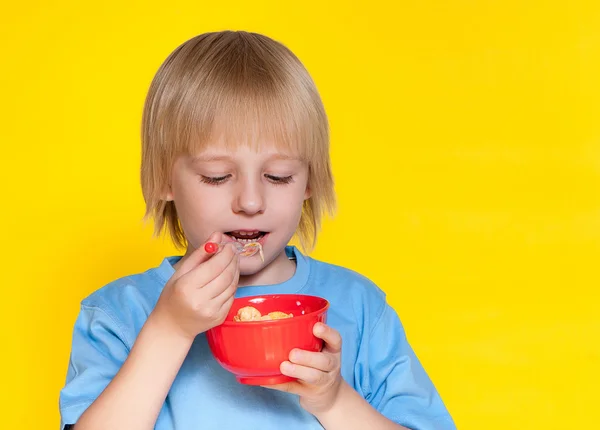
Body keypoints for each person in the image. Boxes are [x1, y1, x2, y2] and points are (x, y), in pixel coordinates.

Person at [59, 30, 456, 430]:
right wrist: (169, 330)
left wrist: (334, 401)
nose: (250, 202)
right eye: (216, 177)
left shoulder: (360, 308)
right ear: (165, 179)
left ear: (310, 181)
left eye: (278, 176)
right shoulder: (117, 314)